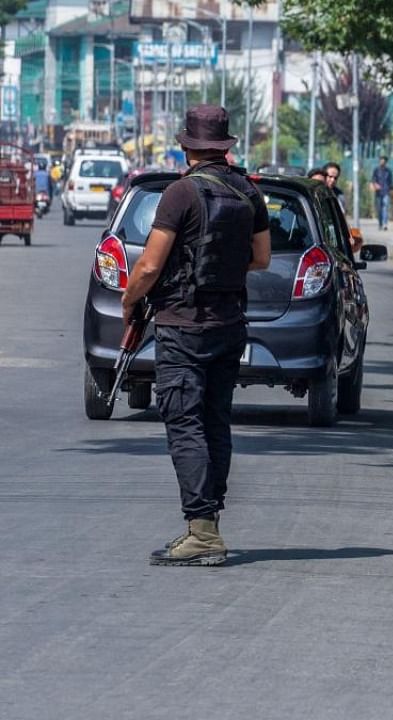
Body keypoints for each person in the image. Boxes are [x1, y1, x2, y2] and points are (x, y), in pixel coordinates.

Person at [117, 105, 272, 566]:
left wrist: (129, 303)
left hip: (182, 326)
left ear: (186, 147)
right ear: (224, 147)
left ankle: (201, 531)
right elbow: (261, 258)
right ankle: (209, 524)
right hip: (229, 323)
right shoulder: (248, 192)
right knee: (214, 421)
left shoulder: (180, 193)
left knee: (184, 423)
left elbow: (148, 265)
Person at [371, 155, 393, 231]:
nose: (382, 162)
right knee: (379, 209)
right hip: (378, 192)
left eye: (384, 160)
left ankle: (385, 224)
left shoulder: (388, 171)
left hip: (386, 191)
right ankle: (380, 223)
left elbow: (390, 182)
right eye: (381, 160)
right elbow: (373, 180)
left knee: (385, 208)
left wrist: (391, 191)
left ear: (386, 162)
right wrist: (375, 185)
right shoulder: (376, 170)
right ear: (379, 161)